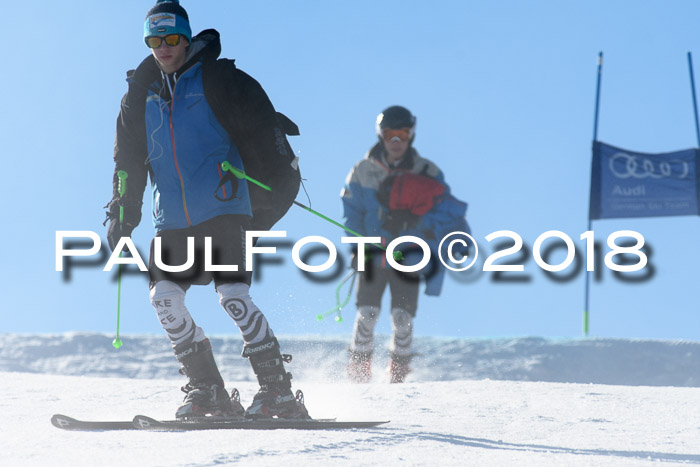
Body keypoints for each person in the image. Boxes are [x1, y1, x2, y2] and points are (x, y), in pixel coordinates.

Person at [105, 0, 307, 419]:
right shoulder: (138, 97)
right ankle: (209, 392)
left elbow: (262, 128)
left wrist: (275, 186)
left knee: (233, 296)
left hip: (224, 209)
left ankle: (278, 395)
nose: (164, 47)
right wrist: (123, 210)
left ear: (186, 36)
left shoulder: (217, 79)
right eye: (155, 39)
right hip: (172, 219)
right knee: (164, 299)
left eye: (172, 37)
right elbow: (127, 162)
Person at [341, 105, 469, 384]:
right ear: (381, 136)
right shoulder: (363, 170)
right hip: (374, 252)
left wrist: (458, 240)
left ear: (411, 135)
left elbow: (446, 209)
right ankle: (359, 369)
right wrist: (357, 246)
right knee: (368, 312)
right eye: (390, 135)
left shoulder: (426, 170)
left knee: (402, 316)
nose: (396, 141)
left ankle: (398, 371)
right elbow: (351, 212)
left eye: (402, 134)